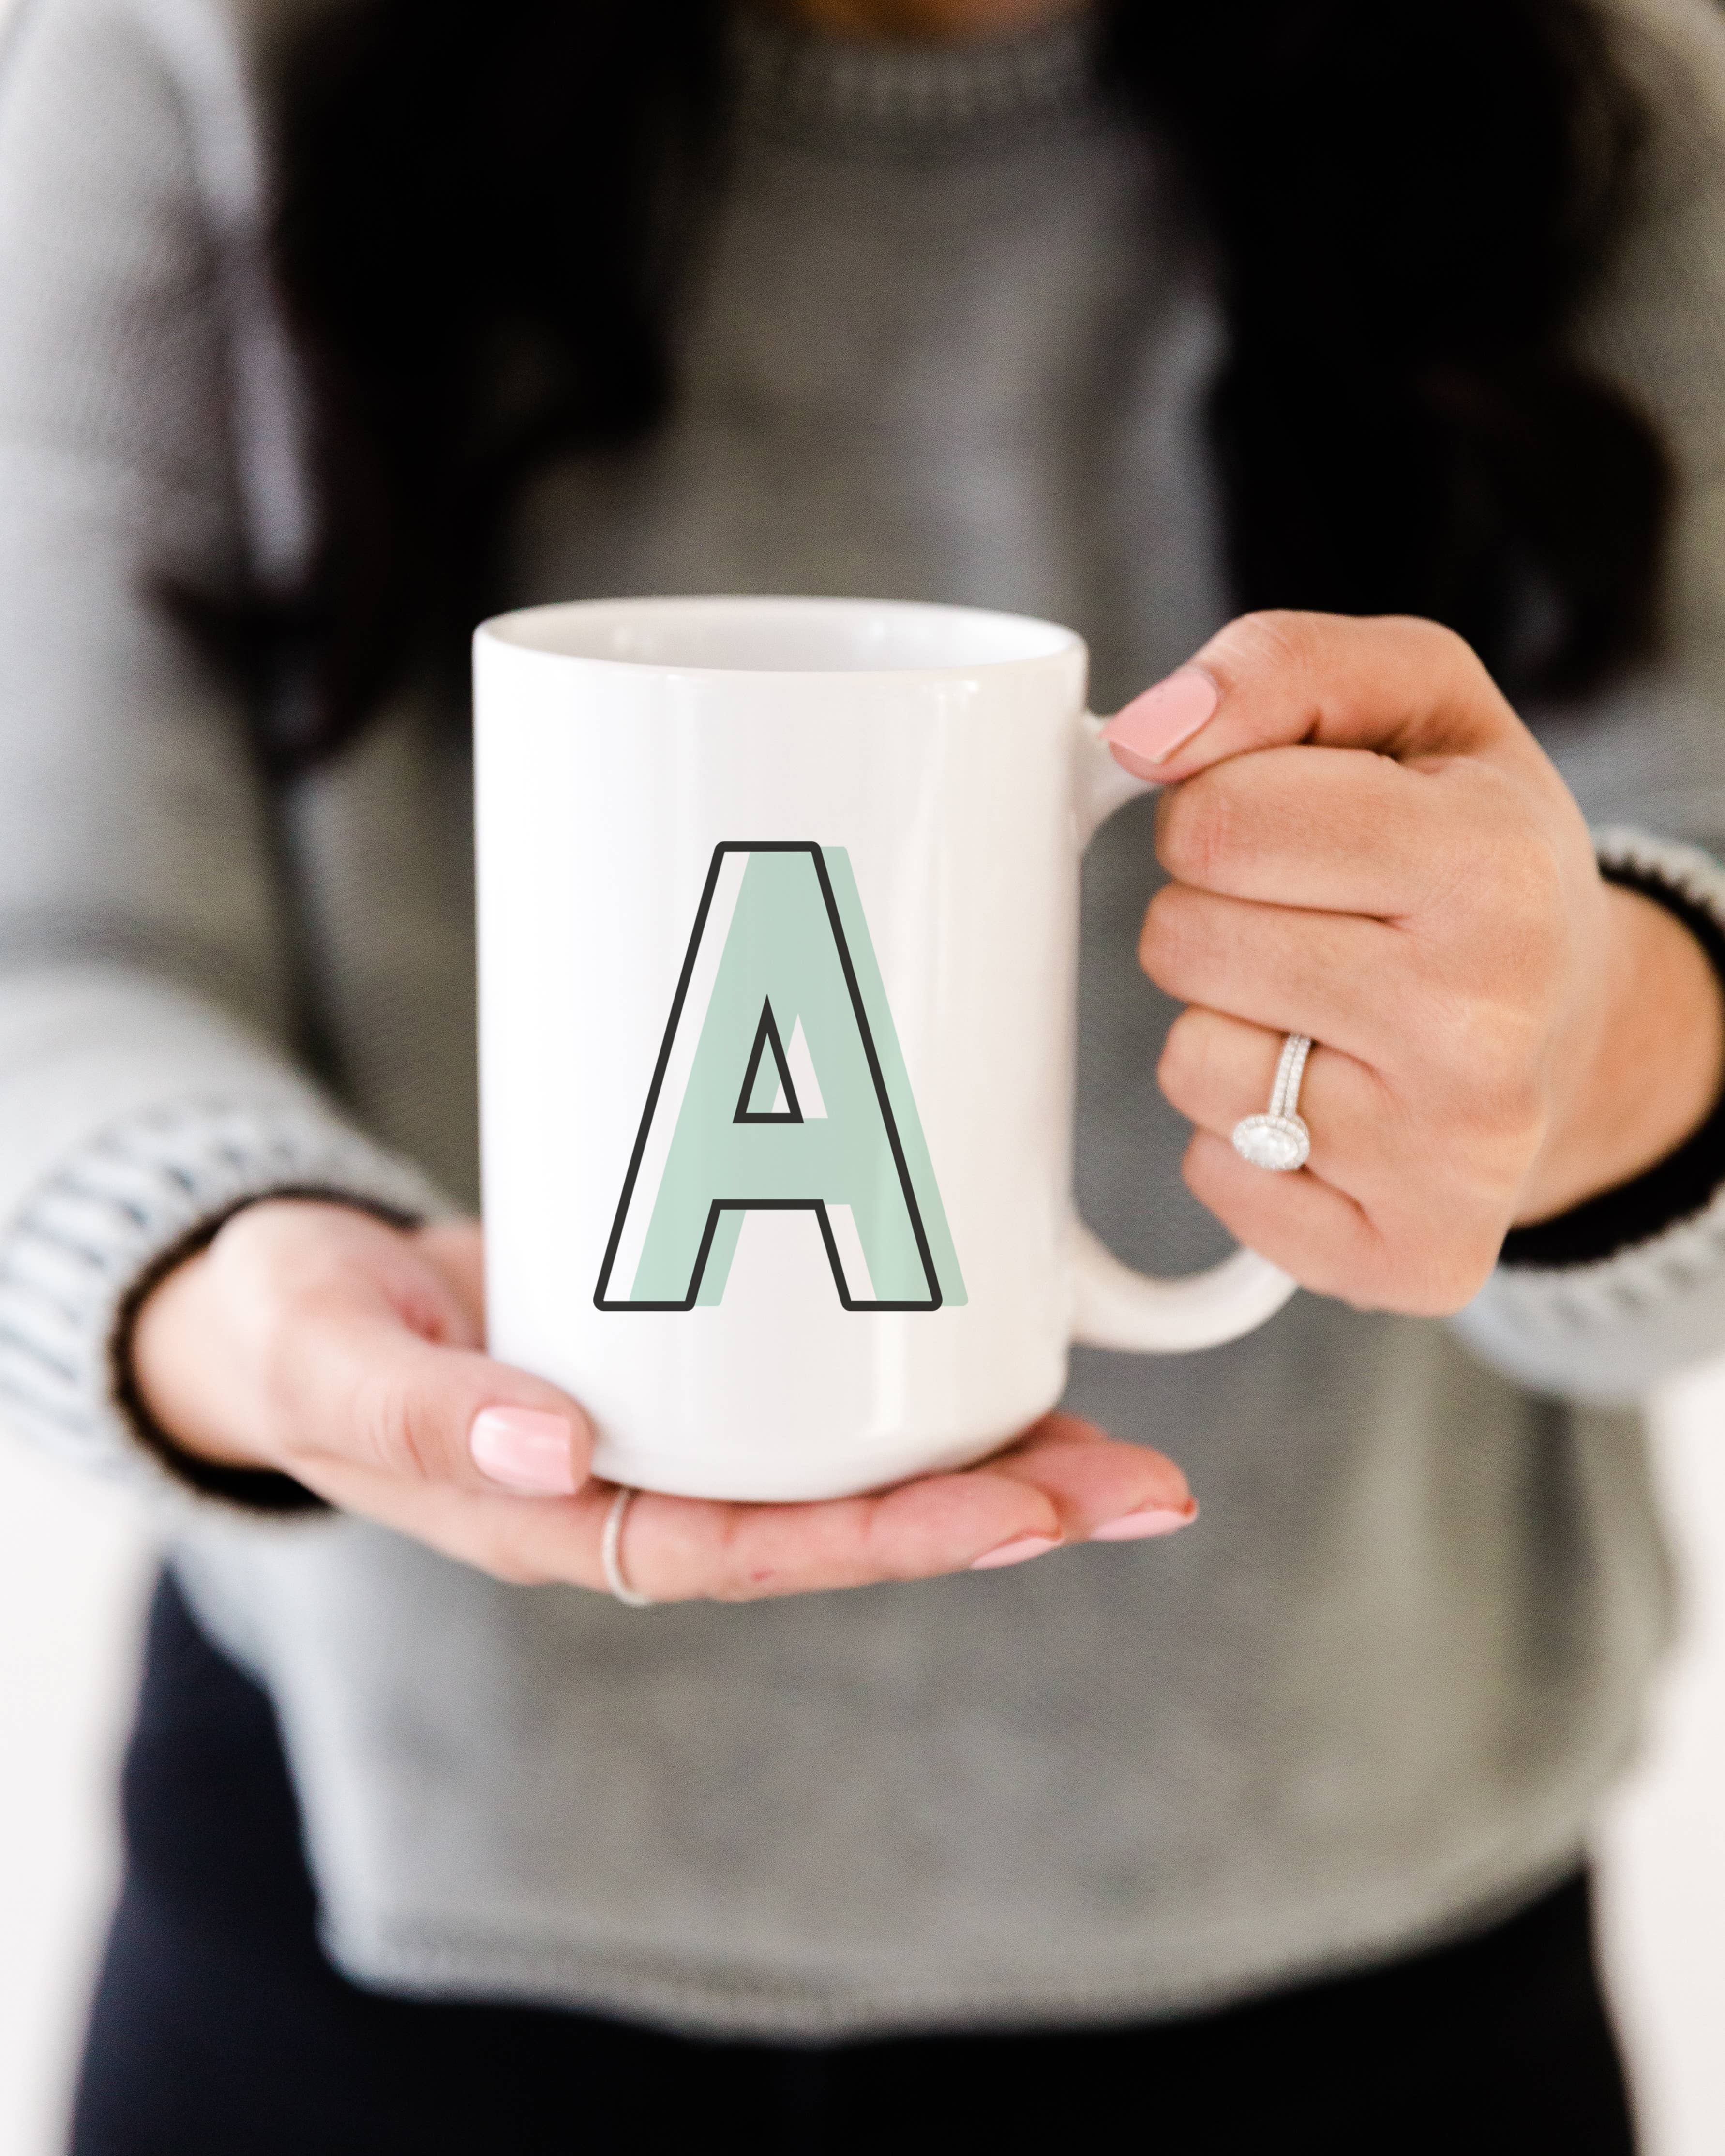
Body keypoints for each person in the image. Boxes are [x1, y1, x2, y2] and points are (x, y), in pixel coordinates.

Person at [0, 0, 1723, 2144]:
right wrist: (229, 1285)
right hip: (372, 1923)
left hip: (1376, 1983)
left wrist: (1587, 1048)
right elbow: (52, 954)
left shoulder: (1600, 108)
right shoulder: (197, 62)